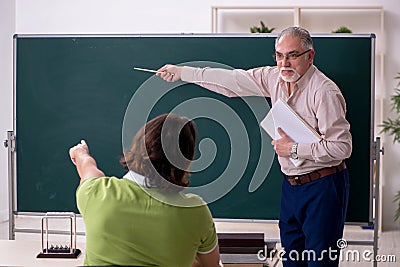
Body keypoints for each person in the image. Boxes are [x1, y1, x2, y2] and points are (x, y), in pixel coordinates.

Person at [157, 27, 352, 267]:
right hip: (291, 186)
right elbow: (231, 83)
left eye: (292, 55)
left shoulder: (324, 92)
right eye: (279, 56)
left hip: (323, 186)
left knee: (319, 262)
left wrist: (293, 149)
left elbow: (341, 147)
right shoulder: (274, 78)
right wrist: (182, 72)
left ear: (310, 56)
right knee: (292, 259)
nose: (284, 63)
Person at [69, 113, 220, 267]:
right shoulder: (195, 210)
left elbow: (88, 167)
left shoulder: (96, 192)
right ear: (184, 162)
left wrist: (80, 153)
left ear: (138, 146)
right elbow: (211, 265)